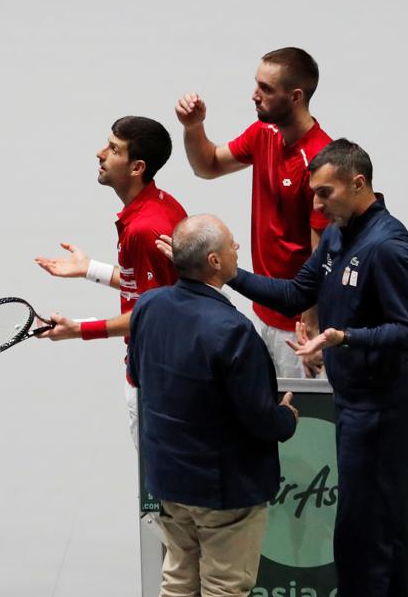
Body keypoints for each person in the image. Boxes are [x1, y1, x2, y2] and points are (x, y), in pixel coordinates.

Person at [224, 139, 408, 597]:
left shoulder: (389, 247)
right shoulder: (337, 234)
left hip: (381, 409)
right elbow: (297, 294)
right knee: (371, 530)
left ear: (359, 184)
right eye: (313, 192)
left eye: (324, 193)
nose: (315, 204)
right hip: (353, 402)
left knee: (363, 536)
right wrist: (231, 275)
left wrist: (345, 337)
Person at [129, 214, 298, 597]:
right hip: (223, 492)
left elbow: (139, 377)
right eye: (232, 244)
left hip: (169, 481)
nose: (238, 248)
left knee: (178, 580)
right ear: (214, 261)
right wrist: (286, 418)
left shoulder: (148, 307)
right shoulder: (233, 330)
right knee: (225, 587)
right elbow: (259, 417)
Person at [174, 47, 332, 379]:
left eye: (266, 89)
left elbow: (321, 256)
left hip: (299, 328)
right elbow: (208, 165)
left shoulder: (320, 161)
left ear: (295, 96)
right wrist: (194, 127)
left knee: (303, 425)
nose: (254, 96)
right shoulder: (264, 134)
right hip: (264, 313)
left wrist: (311, 328)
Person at [33, 116, 187, 441]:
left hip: (161, 379)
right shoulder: (161, 205)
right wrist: (90, 269)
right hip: (161, 370)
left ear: (137, 168)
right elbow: (158, 290)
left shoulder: (146, 229)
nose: (100, 154)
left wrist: (79, 330)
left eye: (113, 149)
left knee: (160, 488)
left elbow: (154, 315)